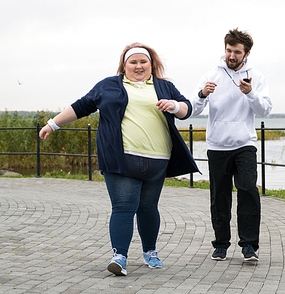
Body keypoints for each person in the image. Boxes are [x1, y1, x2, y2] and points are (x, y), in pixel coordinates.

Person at [39, 43, 199, 276]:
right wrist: (53, 124)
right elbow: (82, 106)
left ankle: (150, 252)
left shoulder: (164, 86)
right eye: (132, 62)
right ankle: (120, 257)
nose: (138, 66)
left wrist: (174, 105)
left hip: (158, 160)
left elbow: (187, 110)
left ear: (151, 64)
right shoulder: (109, 86)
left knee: (148, 208)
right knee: (124, 207)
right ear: (124, 65)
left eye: (143, 61)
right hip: (121, 160)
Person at [191, 28, 272, 262]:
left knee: (247, 190)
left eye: (237, 52)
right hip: (217, 145)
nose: (232, 56)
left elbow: (265, 109)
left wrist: (251, 93)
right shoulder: (211, 75)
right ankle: (221, 245)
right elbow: (194, 109)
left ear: (246, 53)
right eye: (229, 50)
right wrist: (202, 94)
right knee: (220, 197)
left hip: (244, 144)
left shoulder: (256, 77)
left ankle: (249, 246)